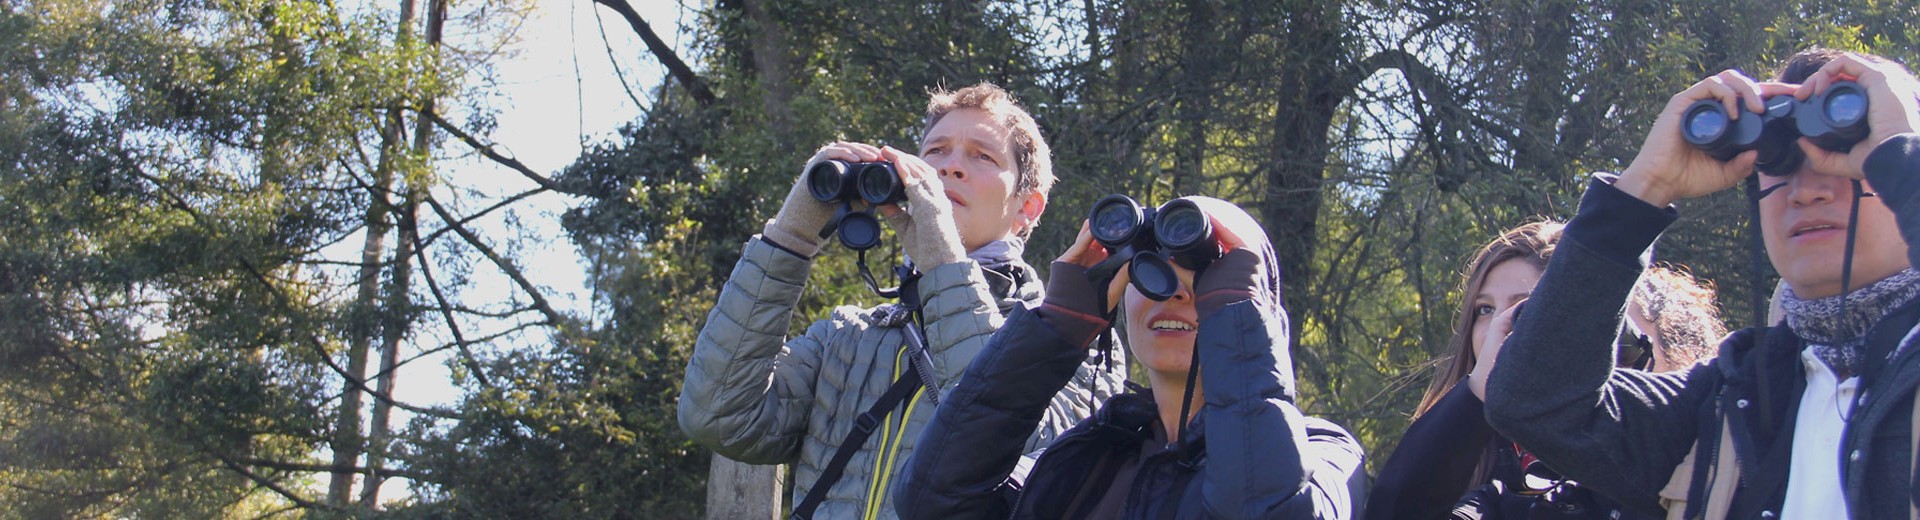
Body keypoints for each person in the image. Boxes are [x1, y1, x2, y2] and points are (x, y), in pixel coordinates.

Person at [1482, 48, 1920, 519]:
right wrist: (1644, 187)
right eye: (1782, 161)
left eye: (1854, 155)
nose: (1807, 189)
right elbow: (1535, 402)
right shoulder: (1730, 405)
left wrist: (1901, 153)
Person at [676, 83, 1125, 520]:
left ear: (1028, 207)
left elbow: (1025, 452)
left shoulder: (1070, 340)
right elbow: (720, 416)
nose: (950, 168)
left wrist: (945, 266)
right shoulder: (848, 338)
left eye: (982, 156)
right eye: (936, 152)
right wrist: (791, 234)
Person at [894, 197, 1366, 519]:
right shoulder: (1089, 456)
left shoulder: (1323, 453)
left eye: (1209, 273)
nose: (1177, 292)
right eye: (1153, 267)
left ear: (1260, 310)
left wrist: (1234, 316)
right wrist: (1054, 326)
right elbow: (936, 502)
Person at [1368, 223, 1727, 520]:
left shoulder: (1717, 457)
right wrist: (1480, 392)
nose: (1501, 328)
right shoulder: (1503, 493)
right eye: (1484, 310)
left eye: (1527, 309)